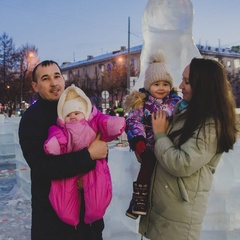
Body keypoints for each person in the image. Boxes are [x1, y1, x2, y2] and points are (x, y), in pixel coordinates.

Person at [139, 58, 238, 240]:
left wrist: (160, 135)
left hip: (179, 216)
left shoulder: (210, 125)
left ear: (204, 87)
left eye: (187, 81)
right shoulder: (186, 112)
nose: (180, 85)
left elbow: (182, 163)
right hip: (166, 208)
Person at [18, 60, 108, 240]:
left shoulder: (82, 108)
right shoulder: (32, 120)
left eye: (57, 76)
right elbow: (43, 167)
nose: (54, 83)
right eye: (45, 78)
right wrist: (88, 156)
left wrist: (98, 156)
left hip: (88, 218)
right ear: (35, 86)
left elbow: (100, 149)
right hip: (54, 222)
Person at [44, 84, 125, 226]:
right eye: (68, 115)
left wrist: (114, 124)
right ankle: (72, 219)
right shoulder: (60, 128)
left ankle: (91, 217)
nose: (73, 117)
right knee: (64, 204)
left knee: (97, 200)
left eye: (77, 113)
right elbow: (57, 140)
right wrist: (53, 145)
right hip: (70, 170)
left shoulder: (94, 121)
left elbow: (106, 123)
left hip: (94, 168)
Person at [123, 52, 181, 219]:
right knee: (147, 167)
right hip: (149, 146)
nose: (161, 88)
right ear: (148, 86)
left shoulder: (175, 102)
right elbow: (134, 122)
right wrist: (139, 141)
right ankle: (138, 200)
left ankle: (138, 205)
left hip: (168, 145)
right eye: (156, 84)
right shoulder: (141, 104)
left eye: (165, 84)